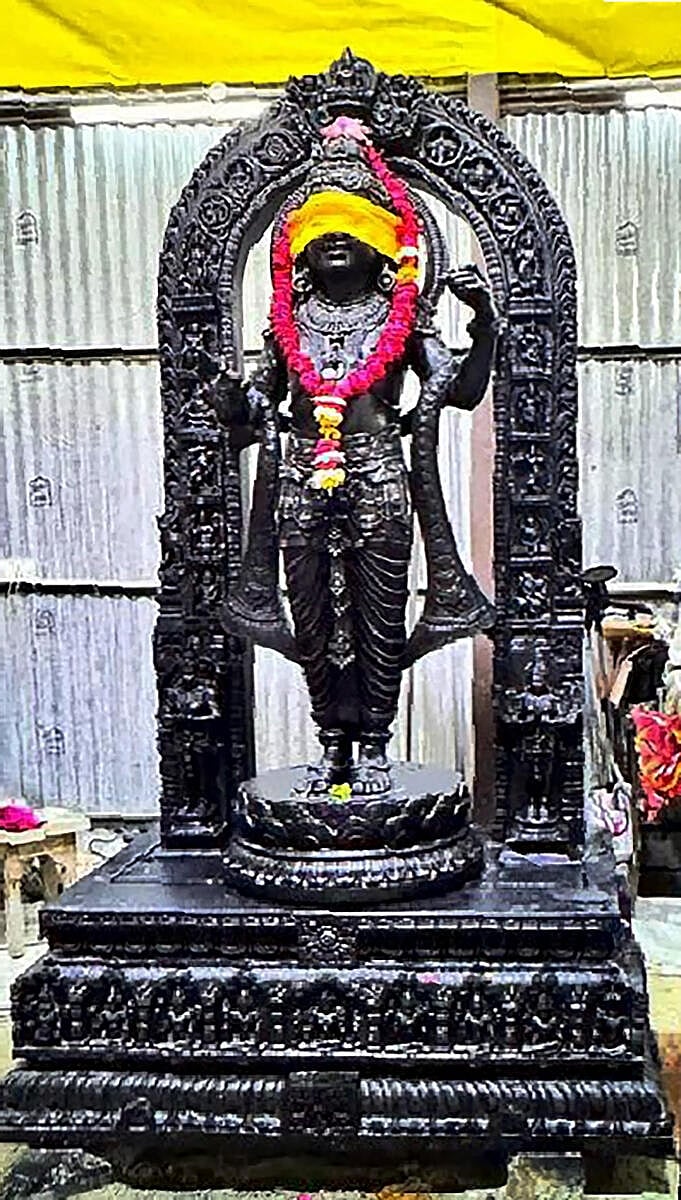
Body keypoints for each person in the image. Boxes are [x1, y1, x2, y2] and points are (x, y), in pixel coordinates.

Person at [216, 117, 497, 795]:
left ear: (384, 247)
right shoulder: (288, 328)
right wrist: (231, 398)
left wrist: (482, 323)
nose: (334, 237)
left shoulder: (398, 321)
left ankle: (373, 745)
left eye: (351, 226)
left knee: (377, 617)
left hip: (375, 477)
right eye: (319, 227)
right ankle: (331, 745)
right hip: (300, 484)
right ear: (299, 250)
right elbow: (254, 408)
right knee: (312, 621)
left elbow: (458, 388)